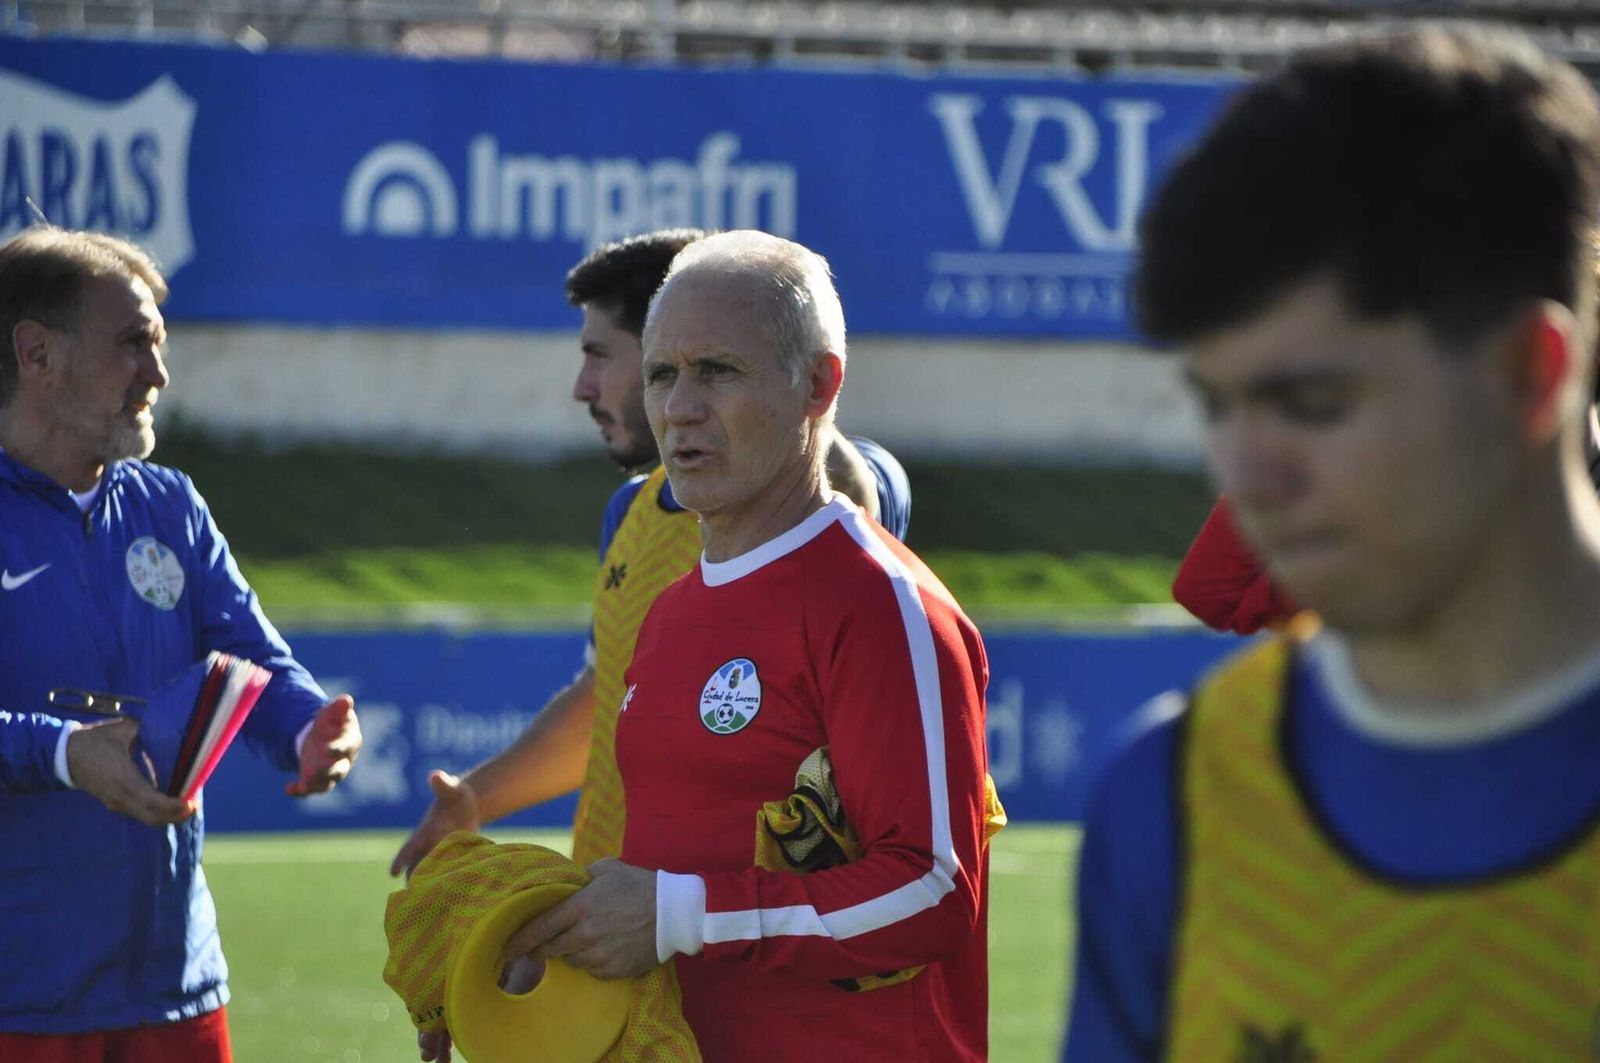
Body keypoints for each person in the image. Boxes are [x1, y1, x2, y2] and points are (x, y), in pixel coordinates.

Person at [1065, 28, 1600, 1060]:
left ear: (1528, 376)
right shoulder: (1172, 799)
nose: (1246, 478)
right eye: (1217, 406)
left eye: (1310, 402)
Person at [497, 230, 991, 1061]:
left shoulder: (882, 601)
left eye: (718, 371)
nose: (680, 407)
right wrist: (539, 956)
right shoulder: (671, 615)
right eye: (661, 374)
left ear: (819, 384)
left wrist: (681, 916)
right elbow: (664, 895)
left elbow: (934, 891)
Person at [389, 229, 911, 881]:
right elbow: (606, 696)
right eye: (662, 374)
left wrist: (781, 395)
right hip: (615, 919)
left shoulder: (810, 514)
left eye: (600, 355)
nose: (583, 386)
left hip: (736, 931)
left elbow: (853, 479)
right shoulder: (631, 513)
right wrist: (478, 796)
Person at [0, 227, 363, 1061]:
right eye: (134, 345)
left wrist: (308, 728)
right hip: (19, 996)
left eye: (158, 347)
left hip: (173, 988)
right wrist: (65, 753)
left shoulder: (169, 505)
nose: (157, 375)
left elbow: (254, 660)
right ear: (37, 353)